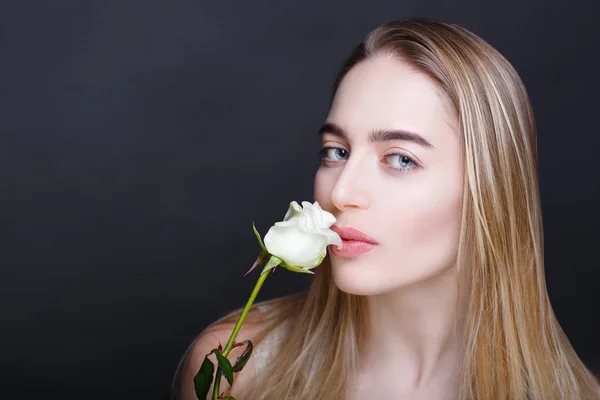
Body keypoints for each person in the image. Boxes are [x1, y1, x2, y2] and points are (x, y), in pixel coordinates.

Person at [172, 18, 600, 400]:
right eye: (336, 151)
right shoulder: (233, 368)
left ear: (490, 189)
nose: (342, 192)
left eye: (400, 159)